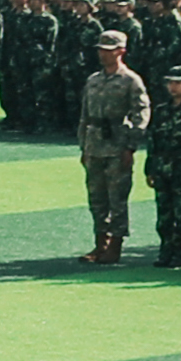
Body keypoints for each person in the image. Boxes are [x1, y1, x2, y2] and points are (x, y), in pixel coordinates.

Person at [71, 30, 146, 267]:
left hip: (116, 146)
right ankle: (100, 242)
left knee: (117, 199)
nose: (103, 54)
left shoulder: (130, 80)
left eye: (109, 50)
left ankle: (116, 244)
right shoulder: (93, 80)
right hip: (94, 145)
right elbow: (85, 115)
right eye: (101, 49)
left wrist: (130, 145)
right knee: (97, 198)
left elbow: (141, 114)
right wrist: (83, 145)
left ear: (121, 51)